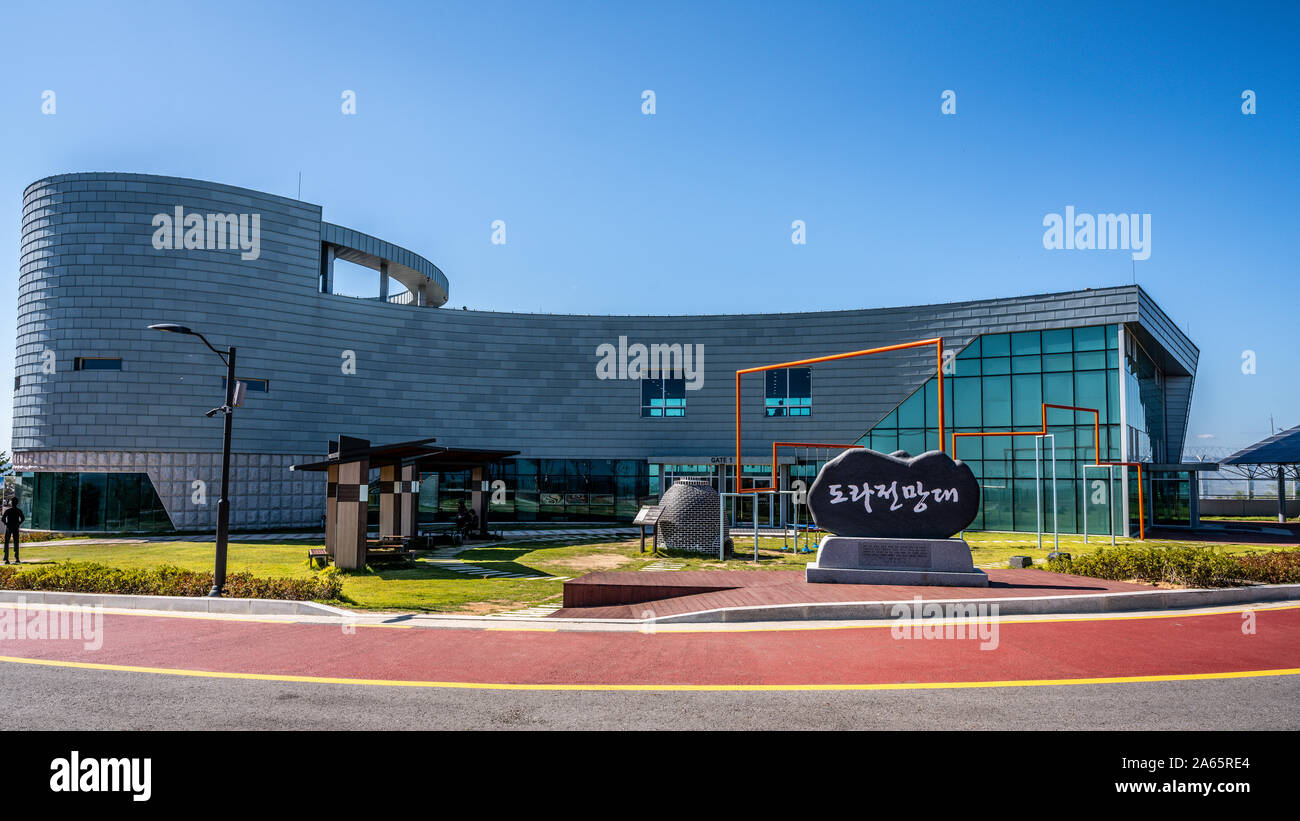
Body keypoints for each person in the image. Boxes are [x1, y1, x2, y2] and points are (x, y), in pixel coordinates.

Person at [2, 500, 23, 565]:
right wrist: (18, 523)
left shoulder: (8, 511)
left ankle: (6, 558)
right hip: (15, 528)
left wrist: (6, 524)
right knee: (16, 542)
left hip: (9, 527)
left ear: (12, 503)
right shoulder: (18, 510)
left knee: (7, 543)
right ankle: (17, 558)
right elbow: (23, 518)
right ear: (16, 503)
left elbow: (3, 519)